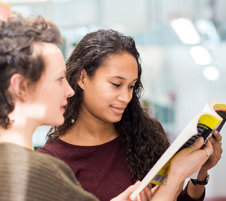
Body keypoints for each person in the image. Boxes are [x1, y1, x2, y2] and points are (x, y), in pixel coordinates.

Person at [0, 16, 213, 201]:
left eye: (131, 86)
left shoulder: (147, 133)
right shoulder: (44, 168)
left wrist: (197, 177)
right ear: (83, 78)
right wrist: (175, 176)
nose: (68, 90)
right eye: (116, 84)